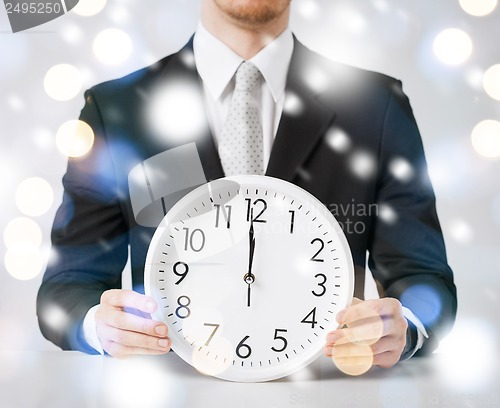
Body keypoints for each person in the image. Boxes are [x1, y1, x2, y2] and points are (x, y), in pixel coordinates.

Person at [37, 0, 457, 371]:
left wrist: (404, 329)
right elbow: (66, 288)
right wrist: (99, 325)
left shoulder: (375, 106)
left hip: (325, 392)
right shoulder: (118, 110)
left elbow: (424, 276)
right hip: (174, 391)